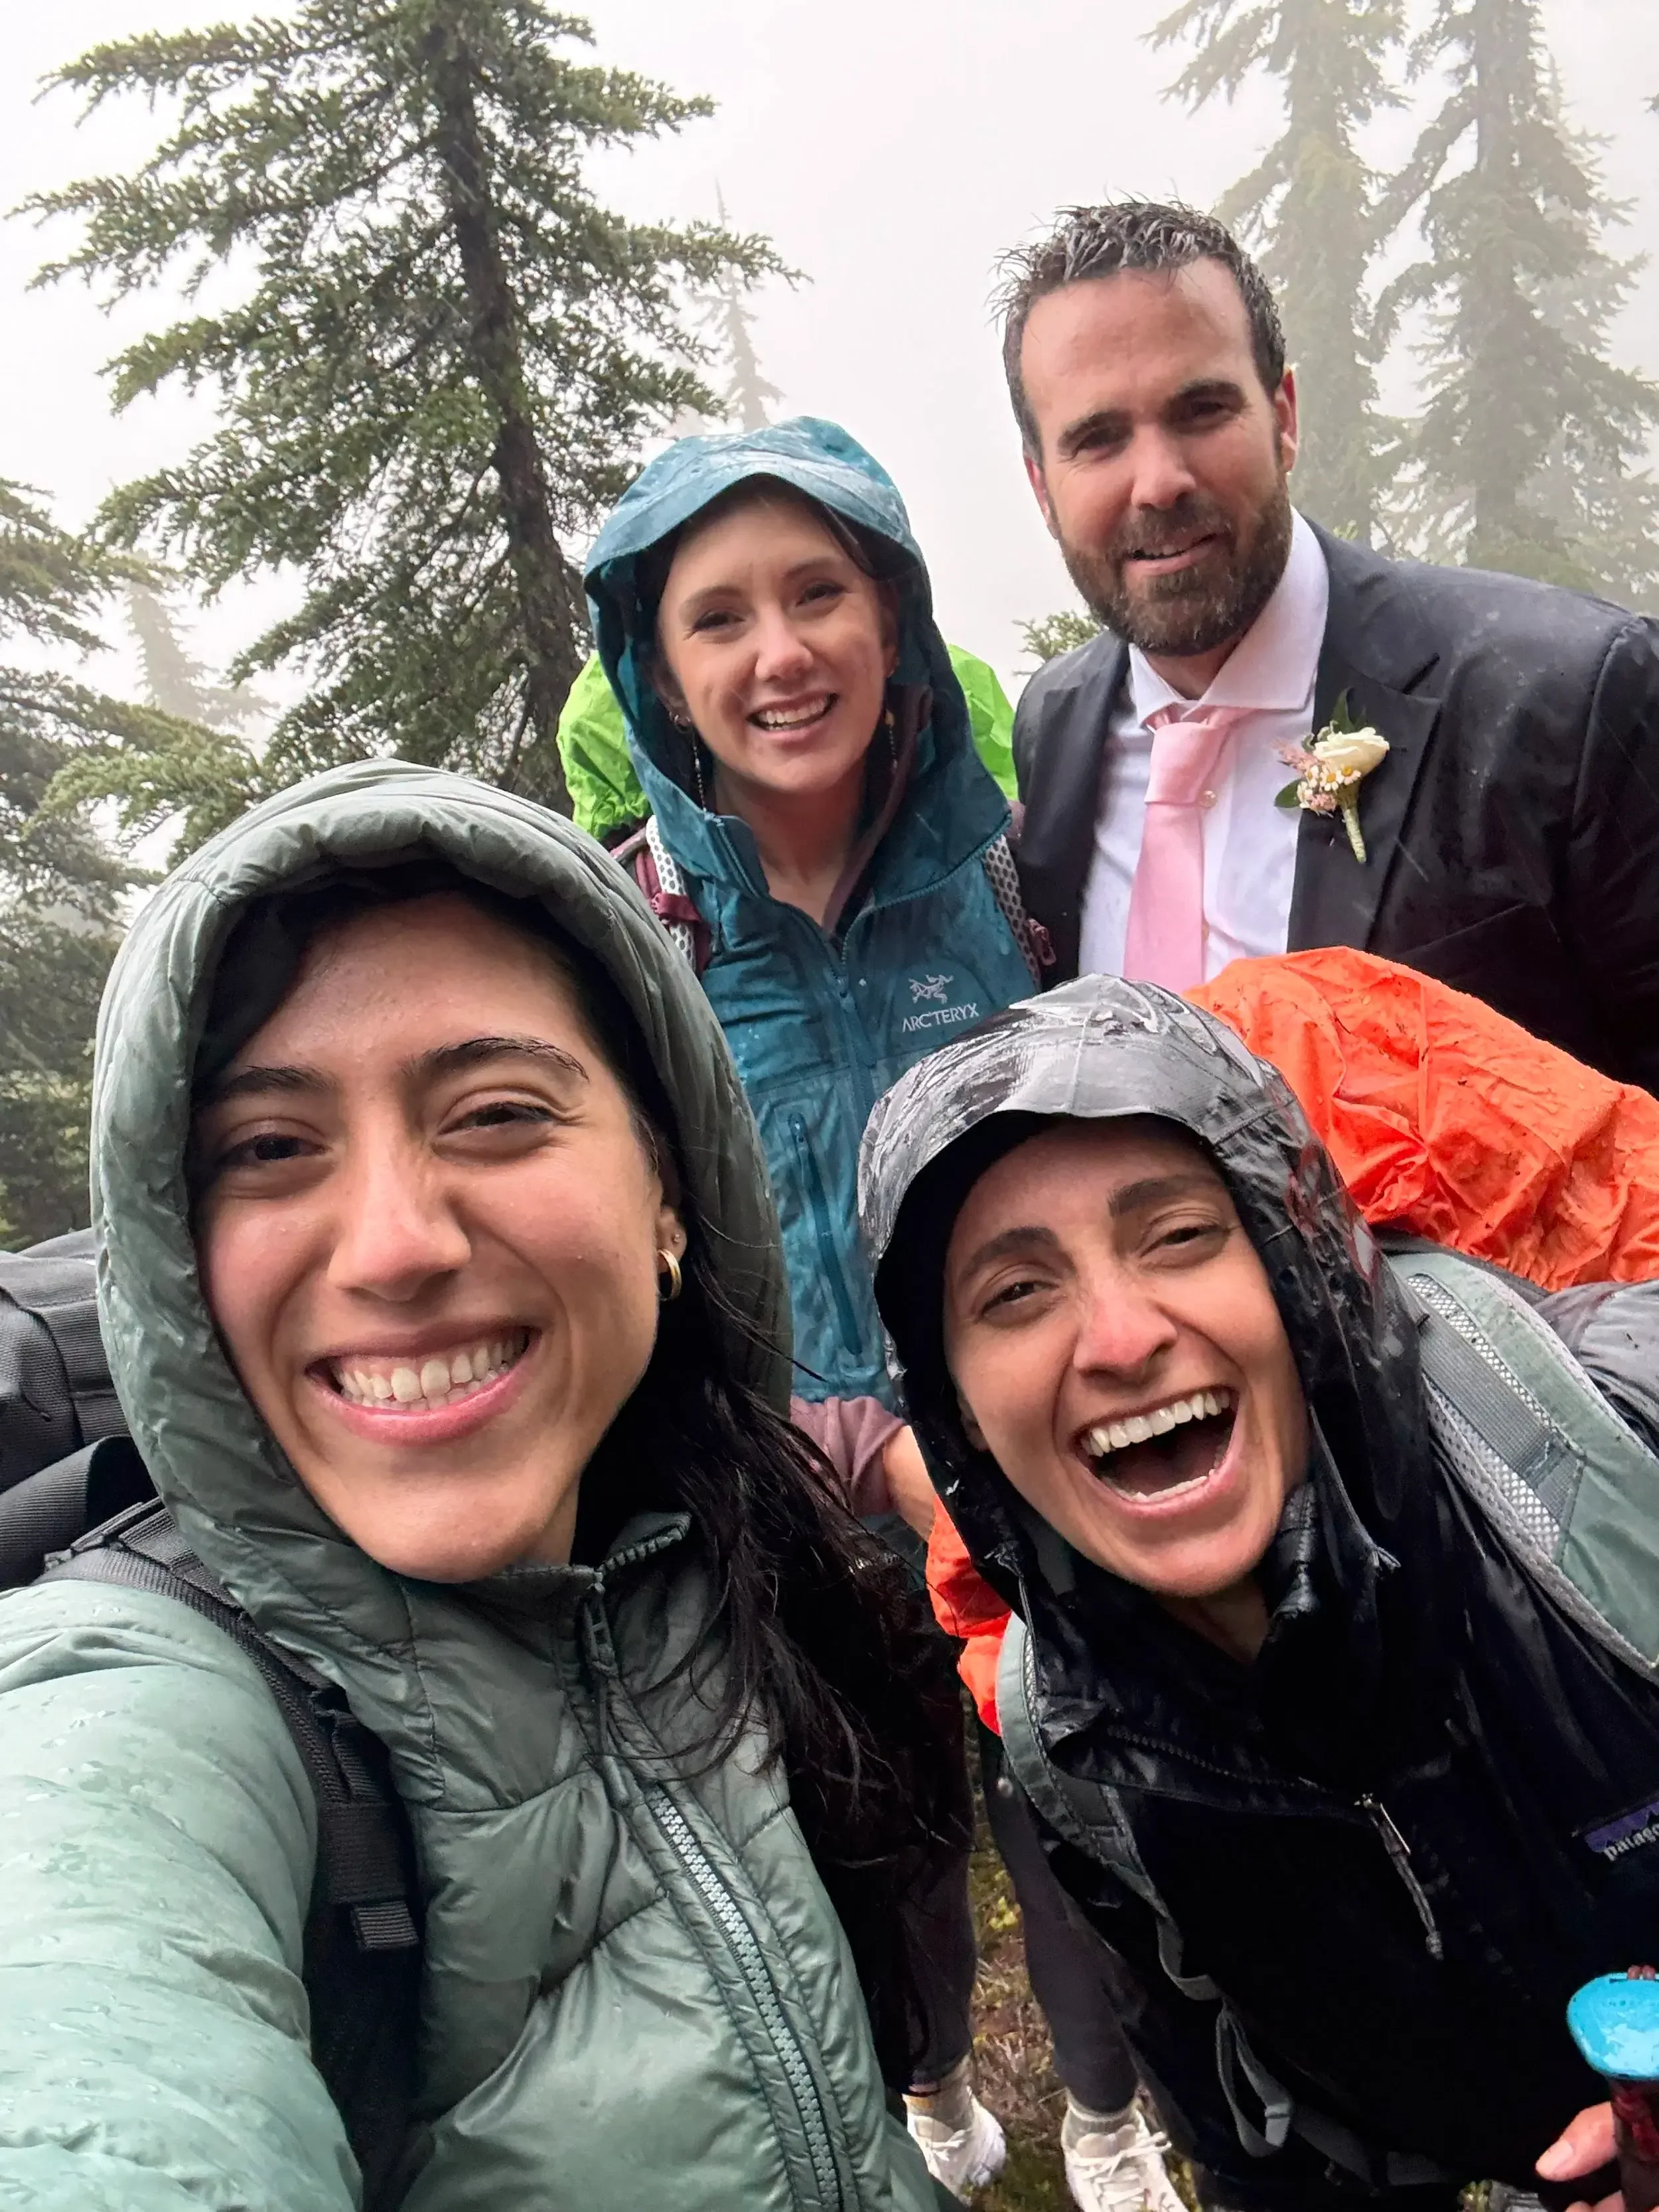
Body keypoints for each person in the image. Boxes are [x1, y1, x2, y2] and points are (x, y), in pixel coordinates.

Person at [0, 757, 970, 2212]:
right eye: (269, 1150)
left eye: (497, 1112)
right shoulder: (134, 1708)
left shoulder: (701, 1556)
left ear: (667, 1190)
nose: (392, 1245)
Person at [582, 415, 1182, 2212]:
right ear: (663, 675)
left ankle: (1104, 2113)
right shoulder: (631, 926)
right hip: (767, 1477)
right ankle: (923, 2087)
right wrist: (834, 1448)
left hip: (1029, 1428)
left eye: (819, 592)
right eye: (720, 618)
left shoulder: (1014, 877)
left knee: (1055, 1772)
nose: (781, 653)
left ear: (893, 616)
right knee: (864, 1802)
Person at [859, 970, 1659, 2212]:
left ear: (1299, 1269)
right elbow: (1255, 2150)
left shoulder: (1621, 1444)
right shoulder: (1079, 1754)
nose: (1121, 1340)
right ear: (957, 1413)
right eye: (1015, 1294)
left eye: (1177, 1236)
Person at [1001, 200, 1659, 1091]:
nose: (1158, 481)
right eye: (1098, 439)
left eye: (1201, 410)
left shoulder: (1566, 699)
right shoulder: (1057, 724)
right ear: (1043, 488)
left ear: (1284, 416)